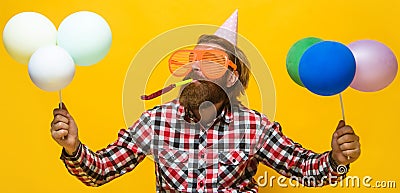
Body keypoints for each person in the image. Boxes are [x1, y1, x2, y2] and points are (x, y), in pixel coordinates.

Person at [50, 12, 361, 193]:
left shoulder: (253, 127)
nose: (196, 68)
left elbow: (303, 169)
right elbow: (100, 172)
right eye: (191, 60)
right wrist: (73, 146)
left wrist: (336, 159)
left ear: (230, 78)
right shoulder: (156, 122)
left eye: (210, 62)